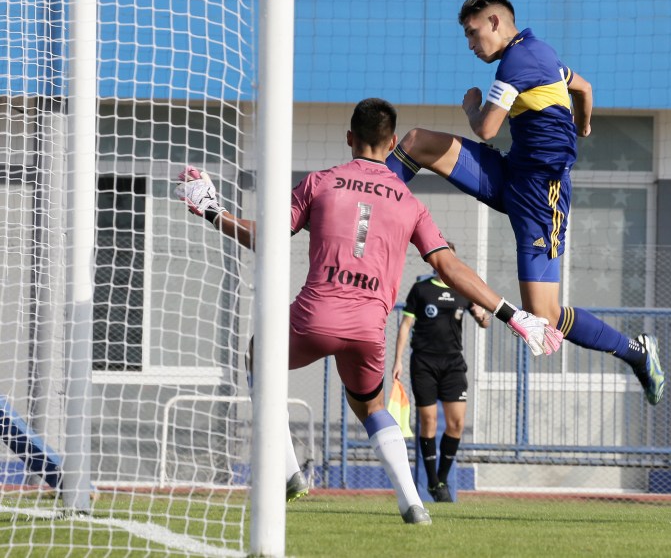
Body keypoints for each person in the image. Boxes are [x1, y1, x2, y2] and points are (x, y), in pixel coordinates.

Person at [175, 97, 562, 525]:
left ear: (349, 138)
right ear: (393, 142)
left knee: (257, 354)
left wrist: (211, 210)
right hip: (367, 331)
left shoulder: (321, 182)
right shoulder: (409, 202)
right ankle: (412, 502)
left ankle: (287, 471)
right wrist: (512, 314)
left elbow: (265, 238)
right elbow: (449, 267)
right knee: (372, 407)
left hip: (314, 319)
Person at [385, 0, 665, 405]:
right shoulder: (540, 53)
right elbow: (584, 87)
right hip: (511, 174)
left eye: (472, 33)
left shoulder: (518, 61)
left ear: (495, 22)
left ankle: (637, 352)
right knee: (417, 142)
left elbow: (485, 128)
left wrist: (472, 108)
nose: (470, 44)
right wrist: (583, 126)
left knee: (544, 317)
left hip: (540, 199)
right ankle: (372, 196)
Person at [392, 241, 489, 503]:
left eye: (451, 259)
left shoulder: (463, 290)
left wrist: (481, 315)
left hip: (453, 364)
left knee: (456, 423)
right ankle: (433, 481)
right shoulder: (421, 289)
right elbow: (406, 325)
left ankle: (442, 479)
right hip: (424, 363)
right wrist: (398, 360)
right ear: (435, 262)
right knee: (429, 422)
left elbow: (484, 322)